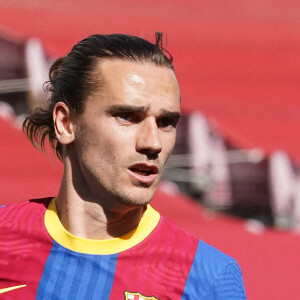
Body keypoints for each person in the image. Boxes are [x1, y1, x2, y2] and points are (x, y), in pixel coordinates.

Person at [0, 33, 246, 299]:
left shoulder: (208, 278)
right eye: (127, 116)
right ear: (66, 123)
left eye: (165, 123)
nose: (153, 143)